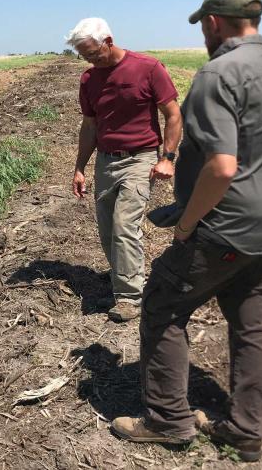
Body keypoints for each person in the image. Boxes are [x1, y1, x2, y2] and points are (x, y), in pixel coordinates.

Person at [110, 0, 262, 462]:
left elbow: (222, 167)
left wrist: (186, 225)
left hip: (220, 229)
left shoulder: (217, 75)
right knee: (254, 325)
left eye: (202, 26)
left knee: (163, 304)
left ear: (211, 23)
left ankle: (168, 419)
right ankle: (247, 430)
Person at [66, 18, 183, 322]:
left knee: (124, 225)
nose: (89, 59)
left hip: (141, 158)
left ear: (108, 40)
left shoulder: (147, 68)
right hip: (106, 161)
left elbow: (172, 114)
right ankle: (124, 275)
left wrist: (167, 158)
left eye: (92, 52)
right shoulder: (89, 80)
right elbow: (89, 125)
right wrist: (80, 167)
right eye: (83, 55)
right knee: (106, 230)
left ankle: (131, 296)